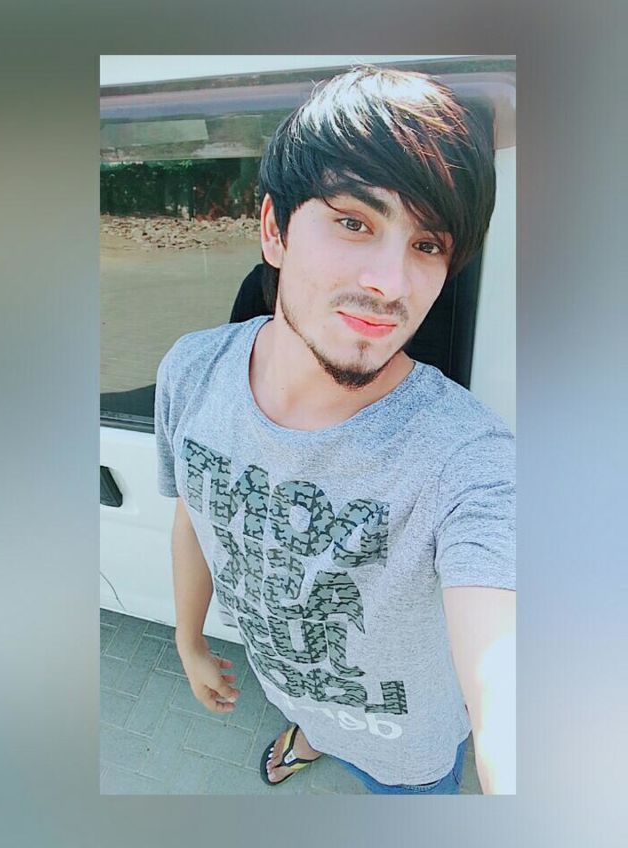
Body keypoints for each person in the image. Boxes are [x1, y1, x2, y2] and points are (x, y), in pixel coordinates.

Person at [155, 66, 515, 795]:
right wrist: (188, 641)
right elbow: (194, 516)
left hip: (408, 758)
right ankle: (311, 735)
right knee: (313, 722)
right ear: (274, 230)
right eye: (354, 222)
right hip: (292, 690)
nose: (391, 283)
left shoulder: (465, 458)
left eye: (428, 245)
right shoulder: (193, 372)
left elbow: (506, 676)